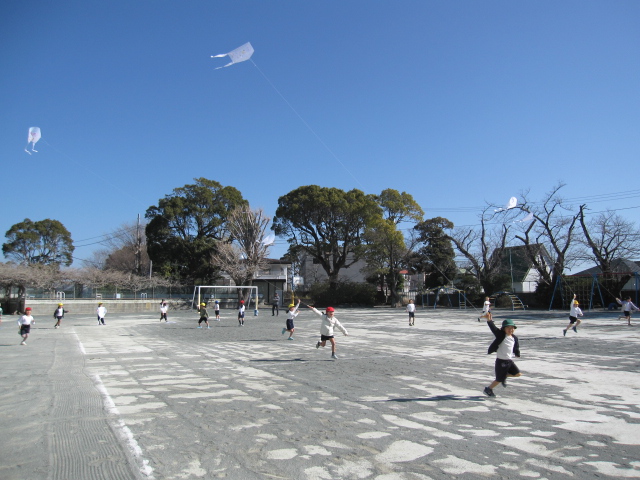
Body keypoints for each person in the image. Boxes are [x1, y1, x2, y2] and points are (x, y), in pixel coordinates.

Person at [483, 318, 521, 398]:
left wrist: (517, 353)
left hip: (509, 361)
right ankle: (488, 389)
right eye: (508, 328)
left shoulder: (514, 338)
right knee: (499, 379)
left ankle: (504, 376)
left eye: (512, 328)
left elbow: (516, 346)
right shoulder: (501, 335)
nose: (510, 330)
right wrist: (489, 320)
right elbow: (493, 328)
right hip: (501, 361)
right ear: (504, 329)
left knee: (518, 374)